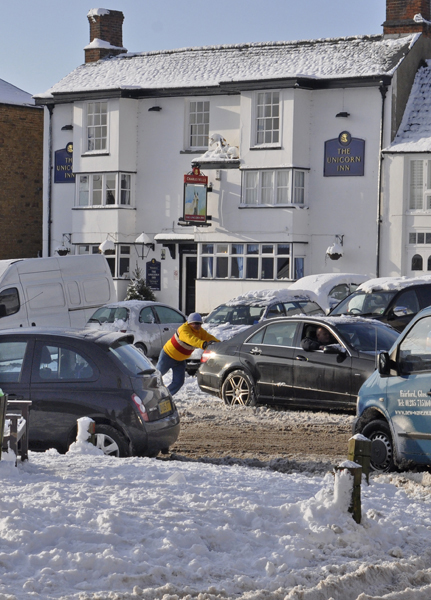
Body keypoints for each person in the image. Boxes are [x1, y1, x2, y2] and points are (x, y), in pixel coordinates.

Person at [156, 312, 219, 396]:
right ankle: (142, 390)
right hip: (168, 356)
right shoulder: (184, 329)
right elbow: (191, 339)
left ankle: (165, 396)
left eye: (200, 324)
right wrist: (202, 344)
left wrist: (219, 343)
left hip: (180, 360)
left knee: (179, 382)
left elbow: (209, 337)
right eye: (196, 323)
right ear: (190, 323)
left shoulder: (200, 331)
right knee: (155, 377)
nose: (198, 326)